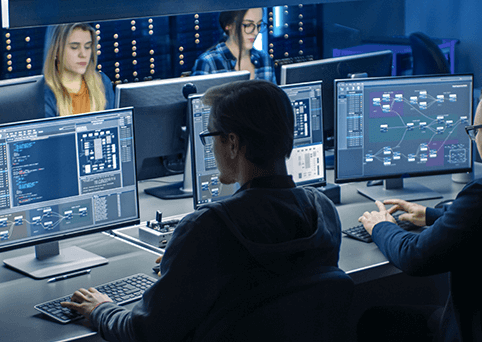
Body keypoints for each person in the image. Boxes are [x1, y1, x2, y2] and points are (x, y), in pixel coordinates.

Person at [61, 80, 343, 341]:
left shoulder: (207, 228)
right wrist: (187, 267)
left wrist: (101, 309)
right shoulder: (324, 212)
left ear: (232, 143)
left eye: (211, 135)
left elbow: (145, 333)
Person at [357, 79, 482, 342]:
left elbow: (414, 255)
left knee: (374, 321)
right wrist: (431, 215)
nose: (474, 140)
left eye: (475, 131)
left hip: (480, 332)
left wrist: (381, 226)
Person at [43, 23, 114, 117]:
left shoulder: (103, 82)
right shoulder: (45, 94)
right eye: (74, 47)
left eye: (87, 46)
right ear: (56, 50)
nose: (83, 54)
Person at [191, 8, 276, 83]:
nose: (256, 32)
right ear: (228, 25)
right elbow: (197, 101)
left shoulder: (265, 60)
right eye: (247, 25)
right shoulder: (208, 63)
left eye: (259, 25)